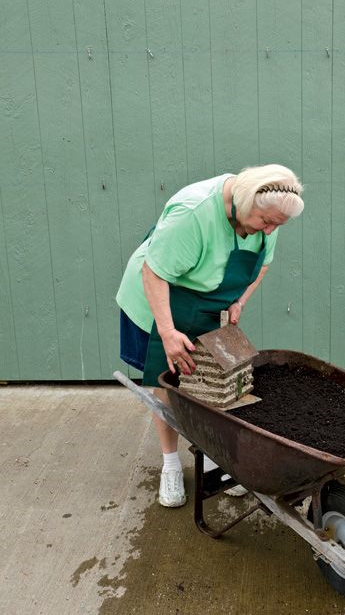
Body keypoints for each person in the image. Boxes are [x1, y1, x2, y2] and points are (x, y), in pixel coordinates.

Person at [116, 165, 304, 507]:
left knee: (211, 377)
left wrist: (240, 299)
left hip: (203, 296)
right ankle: (171, 465)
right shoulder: (195, 213)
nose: (272, 229)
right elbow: (154, 271)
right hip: (160, 294)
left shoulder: (267, 213)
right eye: (267, 222)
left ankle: (215, 455)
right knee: (169, 380)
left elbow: (262, 263)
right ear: (246, 203)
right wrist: (169, 332)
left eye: (279, 224)